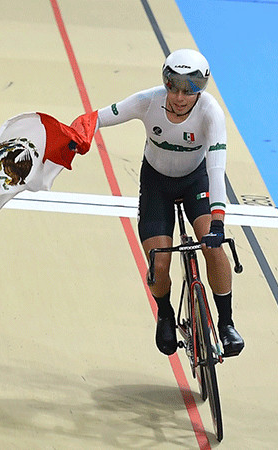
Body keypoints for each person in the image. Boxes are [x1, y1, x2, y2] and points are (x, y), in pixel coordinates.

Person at [93, 48, 244, 357]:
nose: (179, 95)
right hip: (156, 184)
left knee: (212, 246)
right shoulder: (147, 101)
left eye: (190, 88)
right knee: (159, 262)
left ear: (203, 88)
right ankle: (165, 313)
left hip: (195, 181)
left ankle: (226, 322)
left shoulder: (211, 113)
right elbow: (97, 119)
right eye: (173, 84)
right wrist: (68, 137)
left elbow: (216, 169)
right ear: (164, 81)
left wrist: (217, 221)